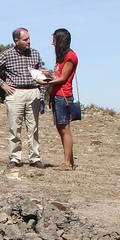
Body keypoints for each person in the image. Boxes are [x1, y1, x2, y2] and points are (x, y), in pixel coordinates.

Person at [0, 28, 47, 167]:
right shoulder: (7, 54)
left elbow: (41, 75)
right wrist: (3, 85)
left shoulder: (35, 53)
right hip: (15, 94)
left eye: (29, 38)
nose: (29, 41)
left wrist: (41, 96)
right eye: (25, 39)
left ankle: (35, 158)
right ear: (16, 40)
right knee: (14, 128)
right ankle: (15, 158)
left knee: (34, 128)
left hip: (33, 93)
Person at [43, 28, 79, 168]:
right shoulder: (62, 56)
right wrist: (48, 74)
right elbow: (59, 74)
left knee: (65, 129)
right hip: (57, 95)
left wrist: (44, 81)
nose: (52, 42)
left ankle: (67, 163)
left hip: (63, 95)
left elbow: (63, 78)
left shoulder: (70, 56)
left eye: (54, 39)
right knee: (61, 129)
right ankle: (69, 161)